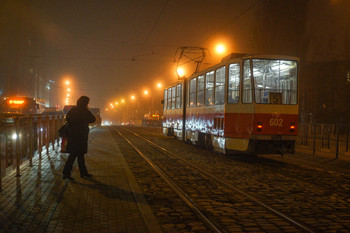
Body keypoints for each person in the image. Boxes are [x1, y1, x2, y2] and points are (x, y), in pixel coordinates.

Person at [62, 96, 96, 180]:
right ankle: (67, 173)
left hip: (72, 135)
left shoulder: (73, 110)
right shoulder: (85, 111)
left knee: (76, 155)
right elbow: (93, 119)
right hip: (81, 136)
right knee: (77, 155)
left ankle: (82, 173)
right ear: (85, 103)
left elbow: (67, 118)